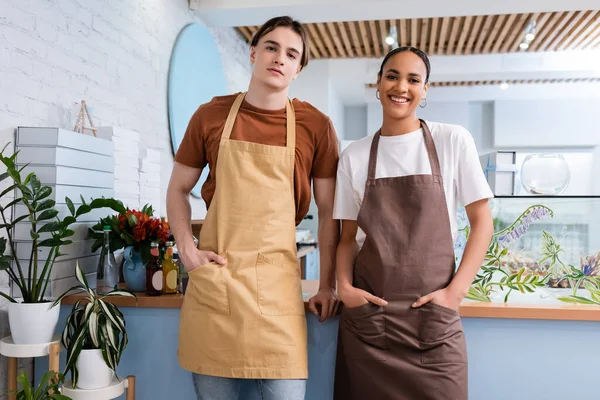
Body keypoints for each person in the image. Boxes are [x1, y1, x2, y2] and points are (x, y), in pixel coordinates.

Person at [166, 16, 340, 400]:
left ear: (298, 68)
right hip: (217, 285)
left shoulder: (316, 126)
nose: (279, 58)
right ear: (253, 52)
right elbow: (178, 189)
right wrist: (187, 251)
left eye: (291, 54)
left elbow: (329, 214)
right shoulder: (210, 116)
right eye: (272, 47)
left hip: (278, 295)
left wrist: (328, 284)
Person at [333, 46, 494, 400]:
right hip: (369, 326)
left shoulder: (452, 140)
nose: (400, 86)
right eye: (392, 76)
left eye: (413, 79)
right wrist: (344, 288)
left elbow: (483, 223)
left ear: (425, 90)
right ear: (378, 84)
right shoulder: (355, 156)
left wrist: (455, 293)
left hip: (435, 327)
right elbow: (347, 239)